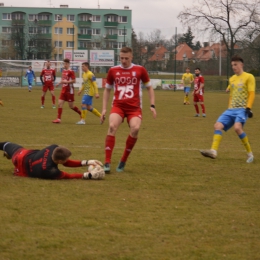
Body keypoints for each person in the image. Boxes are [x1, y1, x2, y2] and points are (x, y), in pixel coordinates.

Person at [101, 46, 157, 173]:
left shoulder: (140, 70)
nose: (124, 61)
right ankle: (107, 162)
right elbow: (107, 90)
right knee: (111, 126)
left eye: (126, 58)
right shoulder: (113, 70)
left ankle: (123, 160)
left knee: (135, 128)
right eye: (121, 58)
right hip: (118, 106)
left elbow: (149, 88)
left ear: (131, 57)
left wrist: (152, 105)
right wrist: (104, 109)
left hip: (134, 108)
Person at [200, 55, 255, 163]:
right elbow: (231, 95)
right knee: (217, 126)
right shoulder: (232, 79)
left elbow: (251, 93)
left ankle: (250, 154)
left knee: (237, 128)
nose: (234, 67)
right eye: (232, 65)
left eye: (236, 64)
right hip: (230, 109)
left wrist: (248, 108)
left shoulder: (249, 77)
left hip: (242, 109)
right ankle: (213, 151)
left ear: (241, 65)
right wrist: (229, 107)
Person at [0, 141, 105, 180]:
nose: (67, 160)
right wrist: (88, 175)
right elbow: (68, 176)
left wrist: (87, 162)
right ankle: (9, 155)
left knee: (4, 144)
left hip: (21, 154)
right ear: (59, 161)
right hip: (21, 167)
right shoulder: (49, 170)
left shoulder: (53, 148)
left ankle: (9, 153)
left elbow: (66, 162)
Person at [52, 58, 81, 123]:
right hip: (63, 90)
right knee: (59, 103)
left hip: (69, 91)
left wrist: (67, 82)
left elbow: (74, 80)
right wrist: (59, 83)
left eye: (66, 64)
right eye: (64, 63)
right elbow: (63, 80)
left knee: (71, 106)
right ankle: (58, 119)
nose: (64, 65)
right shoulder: (64, 71)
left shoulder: (71, 71)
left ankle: (81, 113)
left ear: (68, 64)